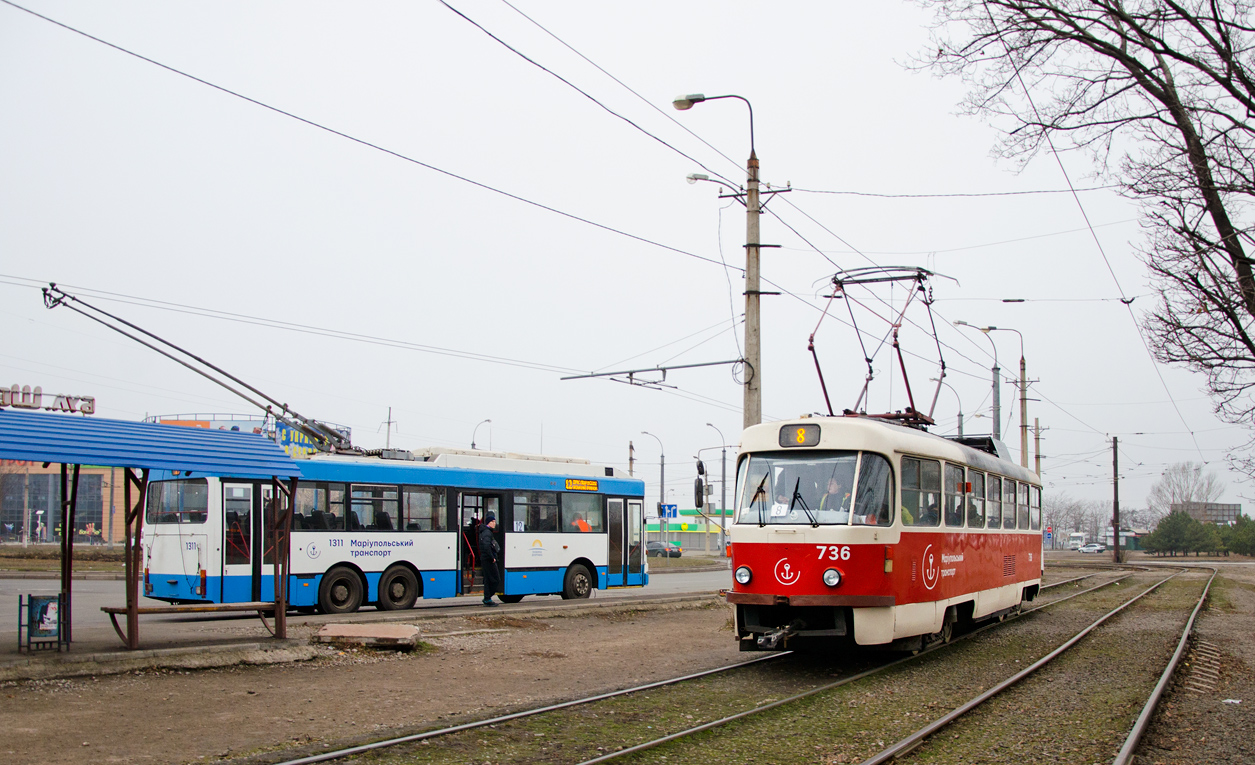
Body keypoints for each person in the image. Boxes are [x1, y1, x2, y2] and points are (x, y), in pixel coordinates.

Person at [477, 512, 502, 606]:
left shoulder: (486, 532)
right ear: (489, 522)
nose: (494, 523)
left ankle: (487, 598)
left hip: (485, 559)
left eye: (495, 521)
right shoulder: (487, 533)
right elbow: (486, 546)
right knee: (495, 579)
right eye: (493, 521)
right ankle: (488, 597)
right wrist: (492, 558)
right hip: (488, 560)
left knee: (488, 579)